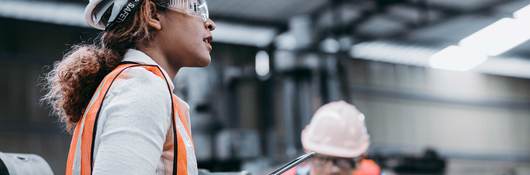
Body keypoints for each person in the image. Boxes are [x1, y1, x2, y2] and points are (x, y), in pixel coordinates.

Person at [43, 0, 215, 174]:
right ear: (153, 15)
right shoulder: (144, 89)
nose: (210, 23)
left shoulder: (128, 84)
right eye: (195, 8)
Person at [284, 101, 381, 175]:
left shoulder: (371, 171)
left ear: (361, 157)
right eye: (322, 159)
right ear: (307, 151)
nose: (333, 169)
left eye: (342, 161)